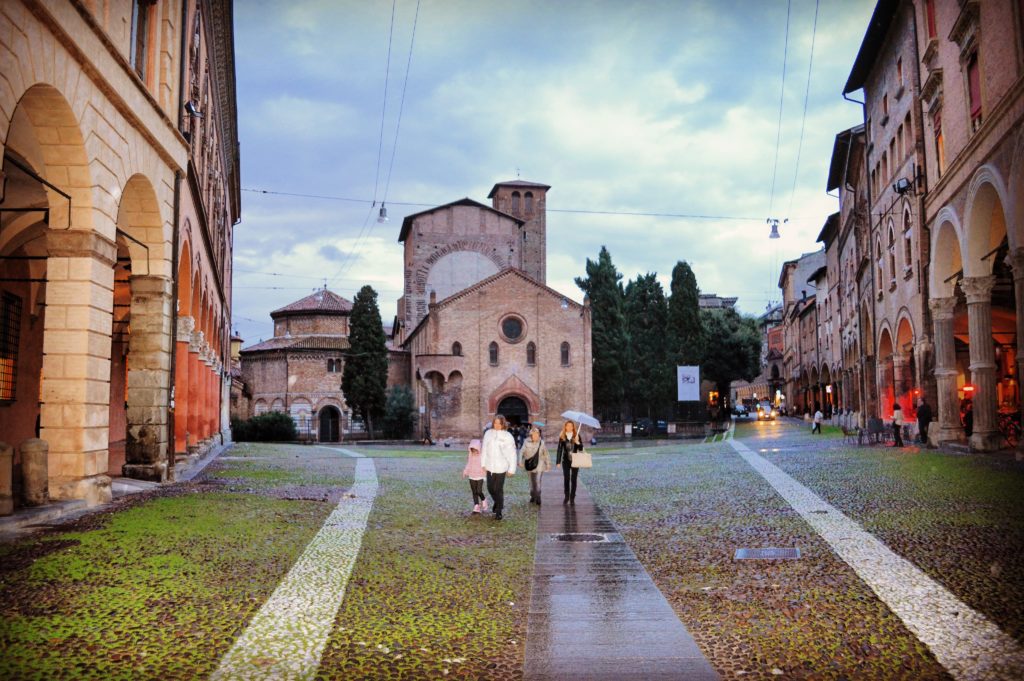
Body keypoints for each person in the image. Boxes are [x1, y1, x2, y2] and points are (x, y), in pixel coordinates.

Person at [481, 414, 517, 520]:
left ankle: (499, 510)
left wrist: (511, 469)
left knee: (499, 489)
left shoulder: (507, 436)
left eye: (499, 423)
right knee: (490, 488)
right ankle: (497, 502)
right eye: (495, 423)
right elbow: (484, 449)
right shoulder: (488, 434)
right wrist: (483, 464)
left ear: (503, 424)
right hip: (490, 466)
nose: (497, 425)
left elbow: (512, 453)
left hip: (501, 467)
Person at [520, 425, 551, 505]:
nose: (535, 436)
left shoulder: (542, 443)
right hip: (529, 464)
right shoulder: (526, 442)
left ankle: (538, 496)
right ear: (531, 435)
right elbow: (521, 452)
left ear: (539, 435)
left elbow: (546, 454)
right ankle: (533, 496)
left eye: (537, 434)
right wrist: (520, 461)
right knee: (531, 482)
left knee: (537, 481)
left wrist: (548, 464)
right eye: (533, 434)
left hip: (540, 465)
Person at [555, 420, 584, 504]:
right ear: (565, 427)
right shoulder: (562, 436)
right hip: (566, 460)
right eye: (568, 426)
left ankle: (572, 498)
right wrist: (558, 461)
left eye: (571, 426)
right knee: (566, 478)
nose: (569, 427)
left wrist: (577, 442)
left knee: (574, 479)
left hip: (575, 460)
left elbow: (581, 448)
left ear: (573, 427)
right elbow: (559, 450)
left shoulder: (577, 435)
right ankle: (566, 496)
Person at [462, 438, 487, 514]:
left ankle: (484, 499)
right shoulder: (471, 455)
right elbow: (468, 464)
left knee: (479, 491)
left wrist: (486, 472)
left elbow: (485, 465)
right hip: (472, 475)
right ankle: (476, 506)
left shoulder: (482, 456)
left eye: (475, 449)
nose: (474, 451)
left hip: (480, 475)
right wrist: (465, 471)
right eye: (472, 449)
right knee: (474, 491)